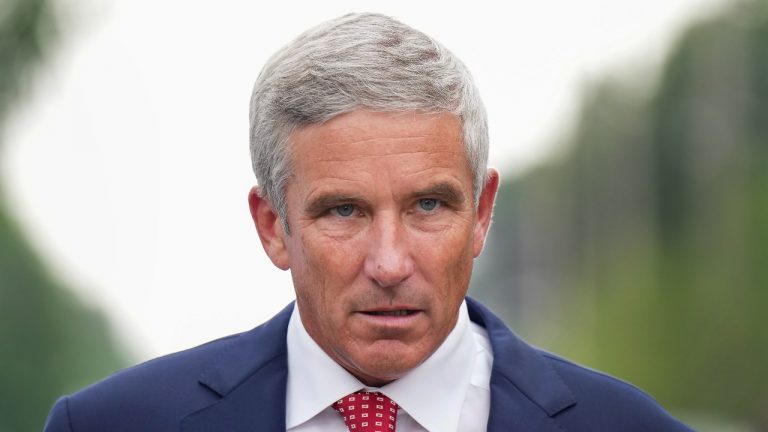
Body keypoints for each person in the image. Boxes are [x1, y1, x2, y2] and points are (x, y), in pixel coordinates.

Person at [44, 12, 691, 432]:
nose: (389, 263)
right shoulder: (110, 424)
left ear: (482, 213)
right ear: (272, 226)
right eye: (345, 211)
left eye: (429, 206)